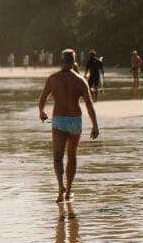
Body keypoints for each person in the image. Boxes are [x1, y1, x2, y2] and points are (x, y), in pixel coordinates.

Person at [38, 49, 100, 203]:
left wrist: (41, 111)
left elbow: (43, 98)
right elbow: (89, 105)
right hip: (74, 121)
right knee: (71, 156)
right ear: (74, 62)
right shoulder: (80, 80)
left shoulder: (53, 79)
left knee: (57, 157)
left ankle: (60, 187)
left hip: (59, 120)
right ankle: (69, 191)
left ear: (61, 61)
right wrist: (95, 125)